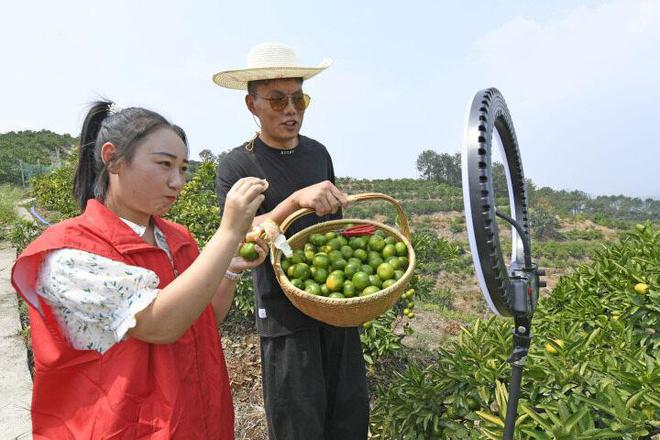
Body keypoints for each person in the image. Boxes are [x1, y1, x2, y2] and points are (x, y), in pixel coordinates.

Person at [11, 101, 269, 439]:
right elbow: (160, 325)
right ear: (112, 158)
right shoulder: (67, 254)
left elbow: (203, 318)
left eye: (183, 169)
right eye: (164, 164)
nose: (177, 182)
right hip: (119, 428)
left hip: (196, 421)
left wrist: (230, 268)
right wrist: (229, 232)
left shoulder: (178, 239)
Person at [213, 42, 369, 439]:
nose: (290, 110)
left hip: (336, 308)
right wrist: (295, 201)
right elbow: (238, 237)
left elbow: (332, 229)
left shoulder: (318, 154)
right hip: (283, 318)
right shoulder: (237, 165)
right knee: (298, 425)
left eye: (299, 98)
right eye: (277, 99)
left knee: (348, 419)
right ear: (252, 105)